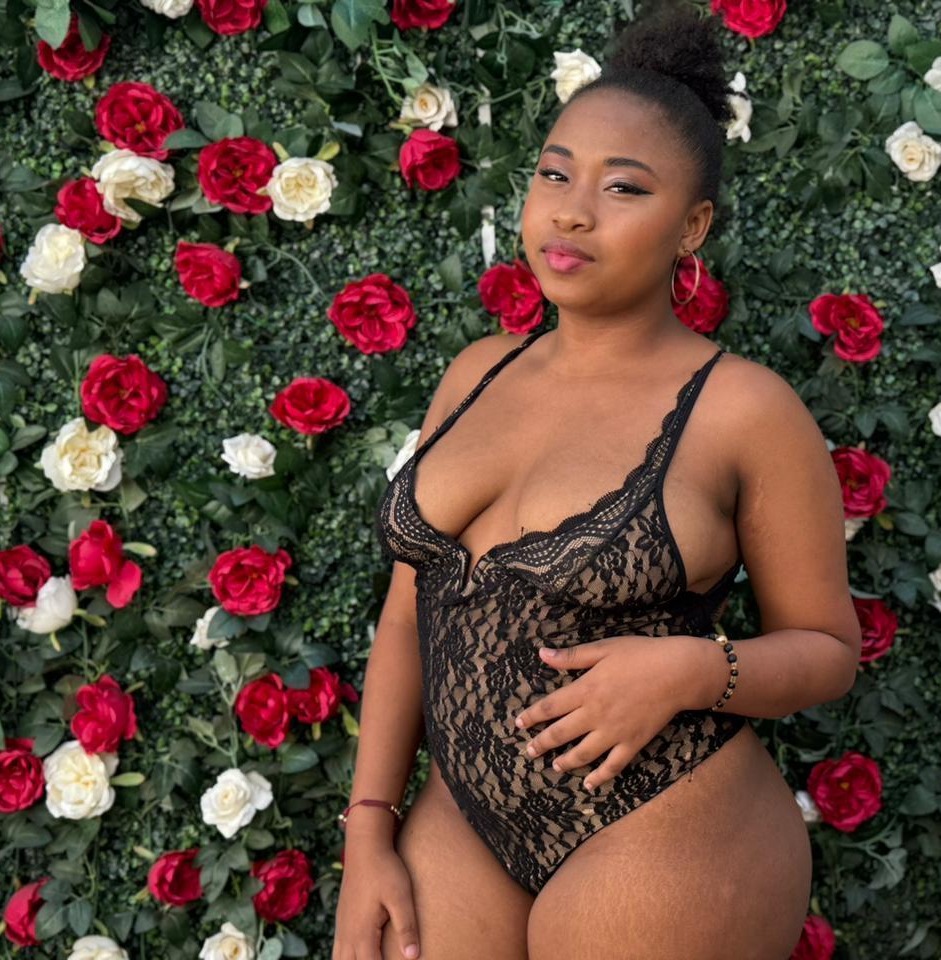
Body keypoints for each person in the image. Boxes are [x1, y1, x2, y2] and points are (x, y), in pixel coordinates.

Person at [333, 3, 860, 958]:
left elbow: (828, 650)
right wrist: (369, 826)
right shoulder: (476, 372)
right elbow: (409, 617)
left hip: (667, 823)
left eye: (622, 187)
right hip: (467, 816)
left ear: (692, 226)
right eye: (554, 174)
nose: (571, 210)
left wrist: (696, 668)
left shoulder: (743, 409)